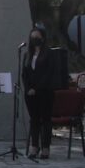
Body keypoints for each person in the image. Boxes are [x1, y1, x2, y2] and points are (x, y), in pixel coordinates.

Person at [22, 26, 54, 159]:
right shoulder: (27, 55)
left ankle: (45, 148)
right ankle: (34, 147)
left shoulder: (49, 54)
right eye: (32, 37)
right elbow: (25, 74)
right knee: (34, 120)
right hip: (30, 93)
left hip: (44, 91)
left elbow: (49, 73)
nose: (35, 39)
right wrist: (28, 88)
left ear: (43, 38)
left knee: (45, 119)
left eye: (37, 37)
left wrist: (37, 88)